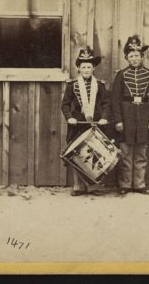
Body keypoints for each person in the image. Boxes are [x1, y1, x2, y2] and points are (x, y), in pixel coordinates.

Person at [111, 35, 149, 195]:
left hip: (144, 118)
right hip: (126, 117)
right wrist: (118, 120)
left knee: (141, 153)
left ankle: (139, 184)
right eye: (131, 56)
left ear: (142, 57)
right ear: (126, 57)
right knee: (125, 153)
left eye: (137, 56)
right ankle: (125, 184)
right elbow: (115, 100)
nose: (134, 58)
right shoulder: (121, 75)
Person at [61, 47, 111, 196]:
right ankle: (78, 186)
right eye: (83, 67)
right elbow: (65, 104)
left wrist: (103, 118)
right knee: (78, 154)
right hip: (78, 124)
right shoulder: (72, 85)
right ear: (78, 68)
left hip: (96, 124)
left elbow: (106, 104)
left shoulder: (100, 85)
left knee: (95, 154)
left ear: (93, 68)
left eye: (89, 66)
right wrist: (69, 117)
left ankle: (94, 186)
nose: (86, 69)